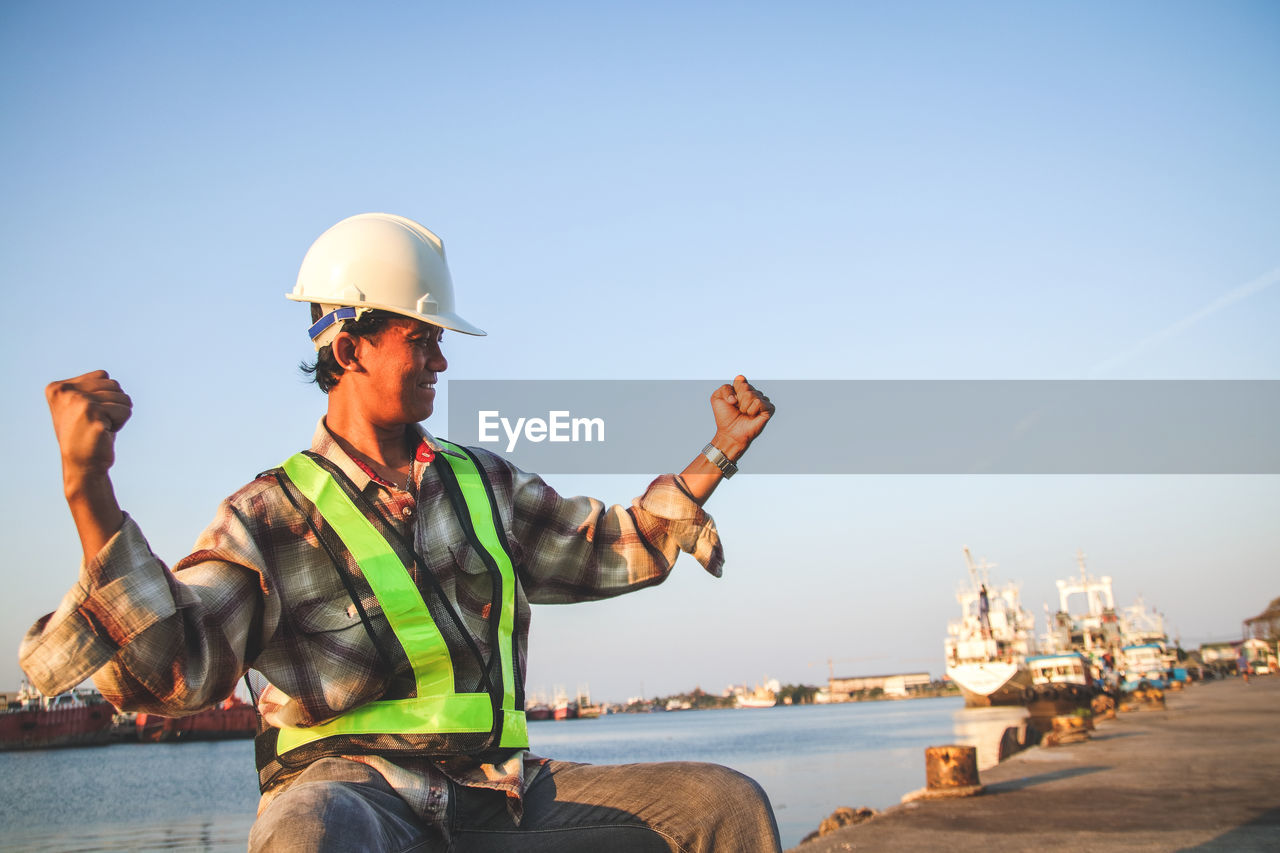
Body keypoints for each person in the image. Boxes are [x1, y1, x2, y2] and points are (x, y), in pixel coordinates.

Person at [21, 213, 781, 852]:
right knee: (306, 833)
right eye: (422, 339)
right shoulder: (269, 515)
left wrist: (719, 452)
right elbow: (173, 666)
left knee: (724, 805)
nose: (442, 359)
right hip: (351, 794)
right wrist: (88, 490)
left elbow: (612, 543)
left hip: (499, 793)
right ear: (350, 348)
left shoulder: (485, 485)